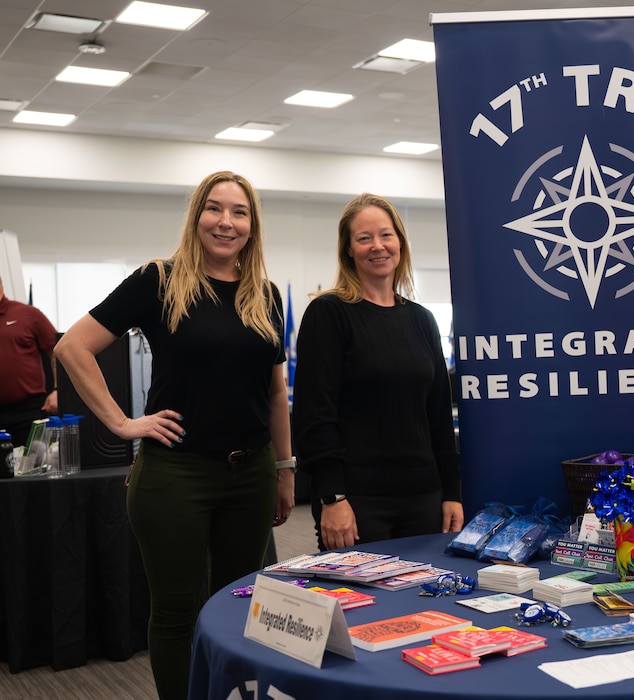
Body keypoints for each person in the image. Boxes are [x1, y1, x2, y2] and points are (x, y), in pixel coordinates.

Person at [54, 171, 295, 700]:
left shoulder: (266, 294)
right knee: (177, 611)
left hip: (251, 472)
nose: (225, 222)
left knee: (241, 605)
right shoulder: (159, 280)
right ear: (196, 216)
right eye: (214, 209)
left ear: (252, 226)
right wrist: (122, 423)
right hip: (176, 474)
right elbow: (72, 347)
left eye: (239, 212)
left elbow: (275, 392)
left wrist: (283, 468)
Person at [292, 192, 463, 550]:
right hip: (357, 501)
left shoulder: (422, 319)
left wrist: (452, 493)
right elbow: (314, 416)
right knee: (365, 604)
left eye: (386, 235)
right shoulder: (329, 313)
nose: (378, 246)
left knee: (423, 602)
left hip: (424, 498)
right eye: (364, 238)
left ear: (400, 242)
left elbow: (438, 418)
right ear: (348, 249)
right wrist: (332, 497)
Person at [0, 275, 58, 447]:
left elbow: (58, 351)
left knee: (32, 468)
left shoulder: (28, 314)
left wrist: (57, 389)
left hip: (27, 411)